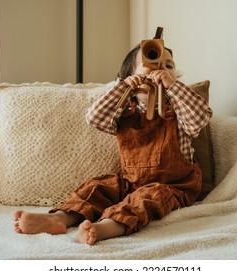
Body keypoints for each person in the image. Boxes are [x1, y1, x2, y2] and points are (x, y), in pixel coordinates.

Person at [14, 43, 213, 245]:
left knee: (145, 199)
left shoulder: (178, 109)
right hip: (131, 181)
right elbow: (94, 117)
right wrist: (122, 88)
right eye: (151, 65)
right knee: (98, 187)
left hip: (174, 185)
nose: (161, 70)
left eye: (169, 66)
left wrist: (174, 87)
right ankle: (59, 218)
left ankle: (103, 228)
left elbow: (200, 118)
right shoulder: (125, 112)